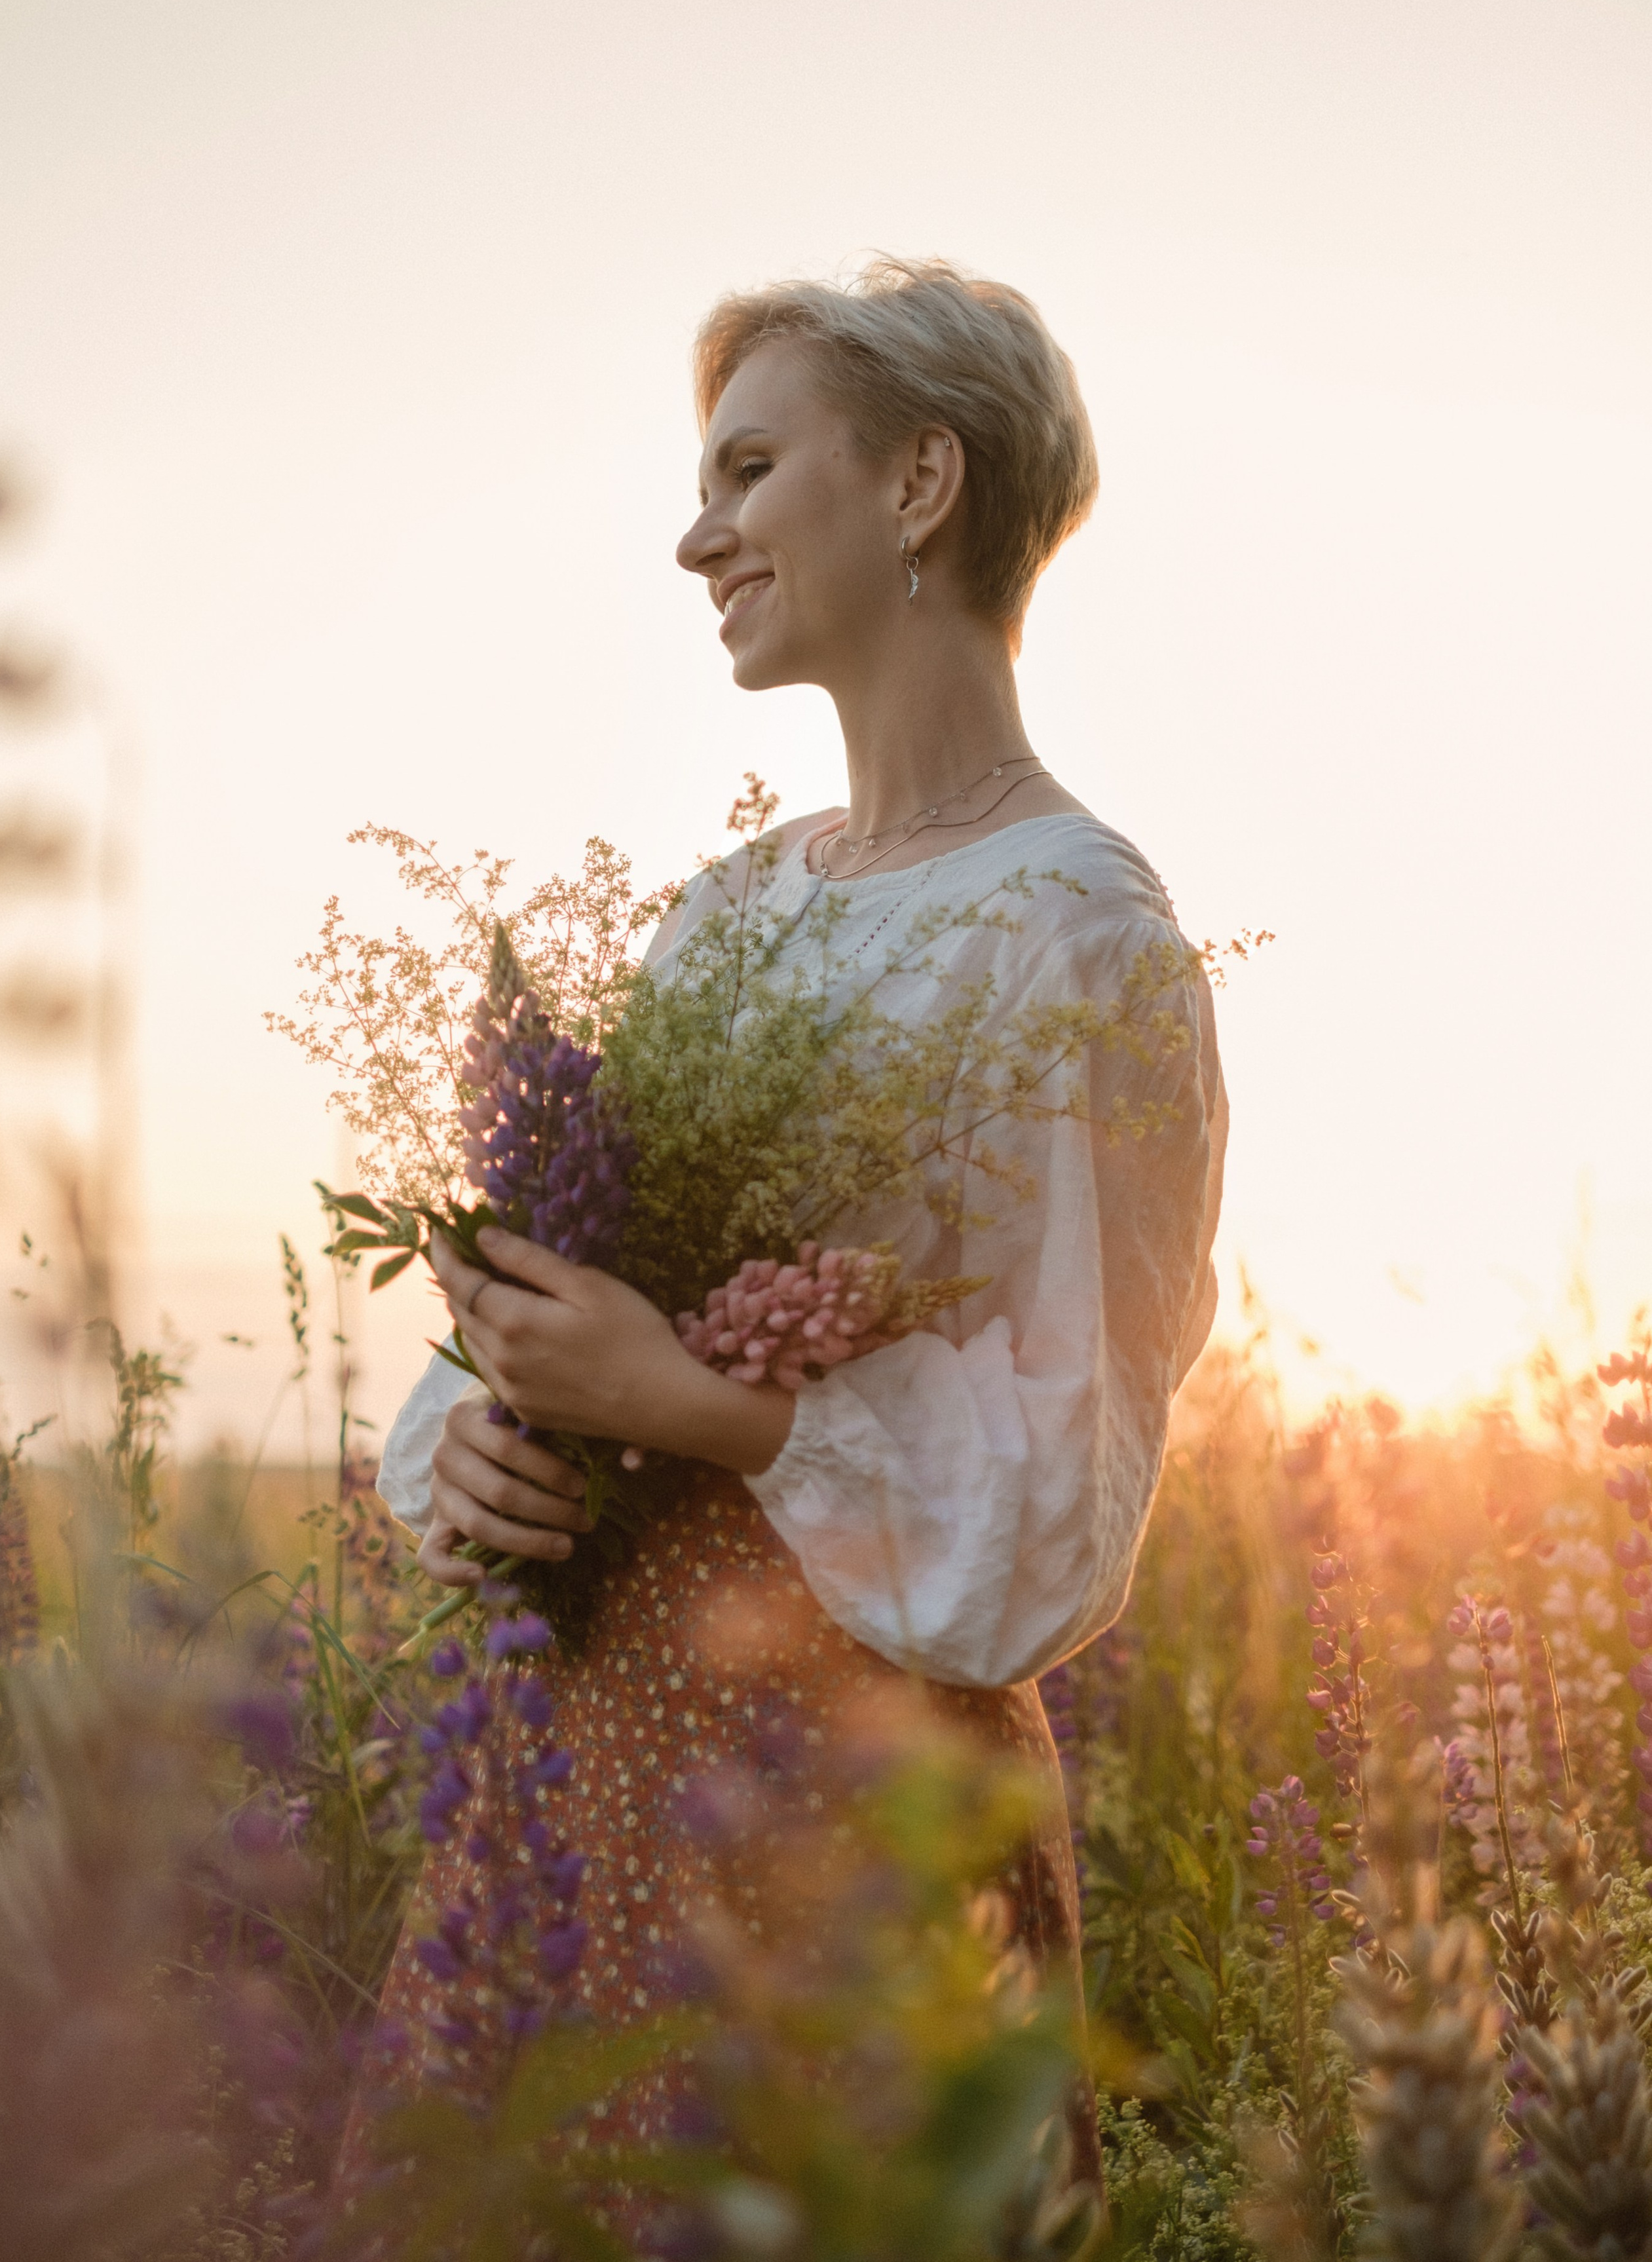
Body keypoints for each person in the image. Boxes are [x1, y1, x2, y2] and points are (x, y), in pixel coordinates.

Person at [357, 257, 1227, 2208]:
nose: (697, 535)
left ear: (922, 484)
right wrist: (501, 1418)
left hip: (858, 1790)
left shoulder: (1077, 929)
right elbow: (587, 1289)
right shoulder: (727, 913)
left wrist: (704, 1407)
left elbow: (1072, 1479)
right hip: (581, 1763)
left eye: (751, 469)